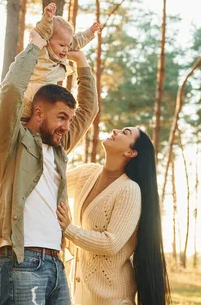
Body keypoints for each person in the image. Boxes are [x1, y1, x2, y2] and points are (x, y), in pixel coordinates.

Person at [0, 29, 98, 305]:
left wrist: (81, 62)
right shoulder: (9, 141)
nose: (67, 126)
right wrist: (36, 45)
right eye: (61, 117)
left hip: (56, 264)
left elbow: (89, 109)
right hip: (20, 261)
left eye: (69, 120)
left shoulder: (59, 147)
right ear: (38, 112)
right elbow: (12, 90)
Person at [0, 2, 101, 171]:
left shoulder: (58, 143)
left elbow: (77, 41)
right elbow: (42, 32)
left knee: (10, 125)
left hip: (42, 101)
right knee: (4, 125)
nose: (66, 49)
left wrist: (90, 34)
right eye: (62, 45)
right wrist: (47, 18)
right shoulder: (41, 51)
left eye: (67, 46)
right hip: (26, 97)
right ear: (48, 41)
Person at [56, 128, 171, 305]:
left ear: (130, 152)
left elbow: (112, 243)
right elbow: (52, 182)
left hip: (113, 298)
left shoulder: (129, 190)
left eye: (125, 133)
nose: (116, 131)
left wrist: (69, 229)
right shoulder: (87, 173)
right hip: (79, 294)